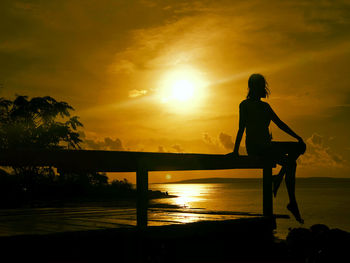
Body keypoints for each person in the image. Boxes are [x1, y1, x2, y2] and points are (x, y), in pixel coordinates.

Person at [232, 73, 306, 223]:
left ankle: (279, 178)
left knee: (299, 147)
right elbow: (241, 128)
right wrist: (235, 151)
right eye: (260, 85)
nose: (262, 88)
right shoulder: (244, 105)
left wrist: (297, 137)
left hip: (268, 146)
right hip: (256, 148)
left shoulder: (265, 107)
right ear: (253, 88)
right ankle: (291, 200)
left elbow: (279, 123)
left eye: (262, 85)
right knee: (291, 163)